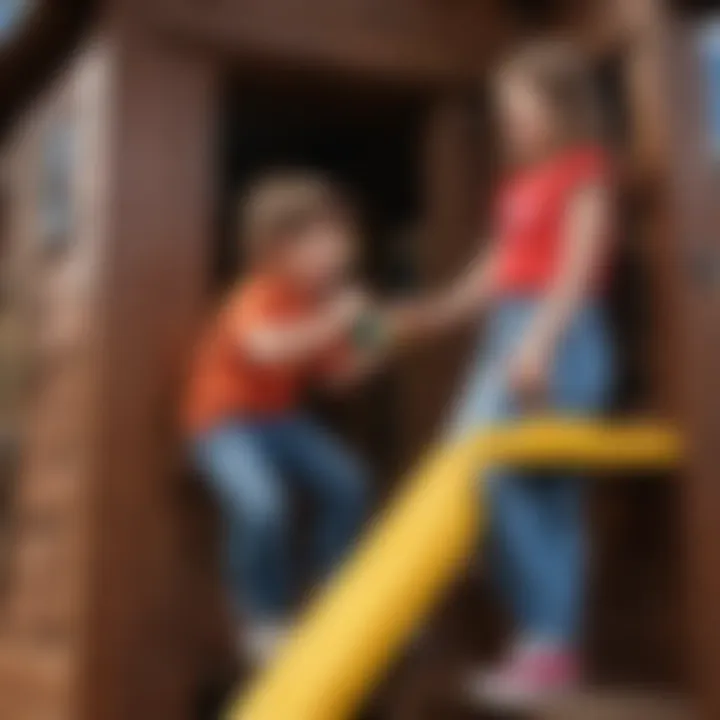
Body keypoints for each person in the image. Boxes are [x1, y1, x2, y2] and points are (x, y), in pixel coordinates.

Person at [394, 41, 616, 708]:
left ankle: (550, 645)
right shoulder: (517, 187)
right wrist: (429, 315)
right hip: (508, 334)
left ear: (560, 104)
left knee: (529, 484)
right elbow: (491, 275)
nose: (508, 119)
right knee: (467, 469)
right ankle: (536, 638)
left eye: (517, 105)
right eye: (503, 108)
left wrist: (540, 347)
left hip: (560, 332)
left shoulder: (585, 169)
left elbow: (575, 268)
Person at [184, 172, 376, 664]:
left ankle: (333, 581)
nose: (336, 255)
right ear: (277, 249)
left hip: (278, 422)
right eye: (320, 244)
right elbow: (266, 348)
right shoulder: (259, 293)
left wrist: (372, 334)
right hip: (221, 424)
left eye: (339, 242)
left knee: (348, 480)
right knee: (262, 504)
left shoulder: (317, 304)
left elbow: (342, 377)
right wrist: (336, 320)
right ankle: (261, 616)